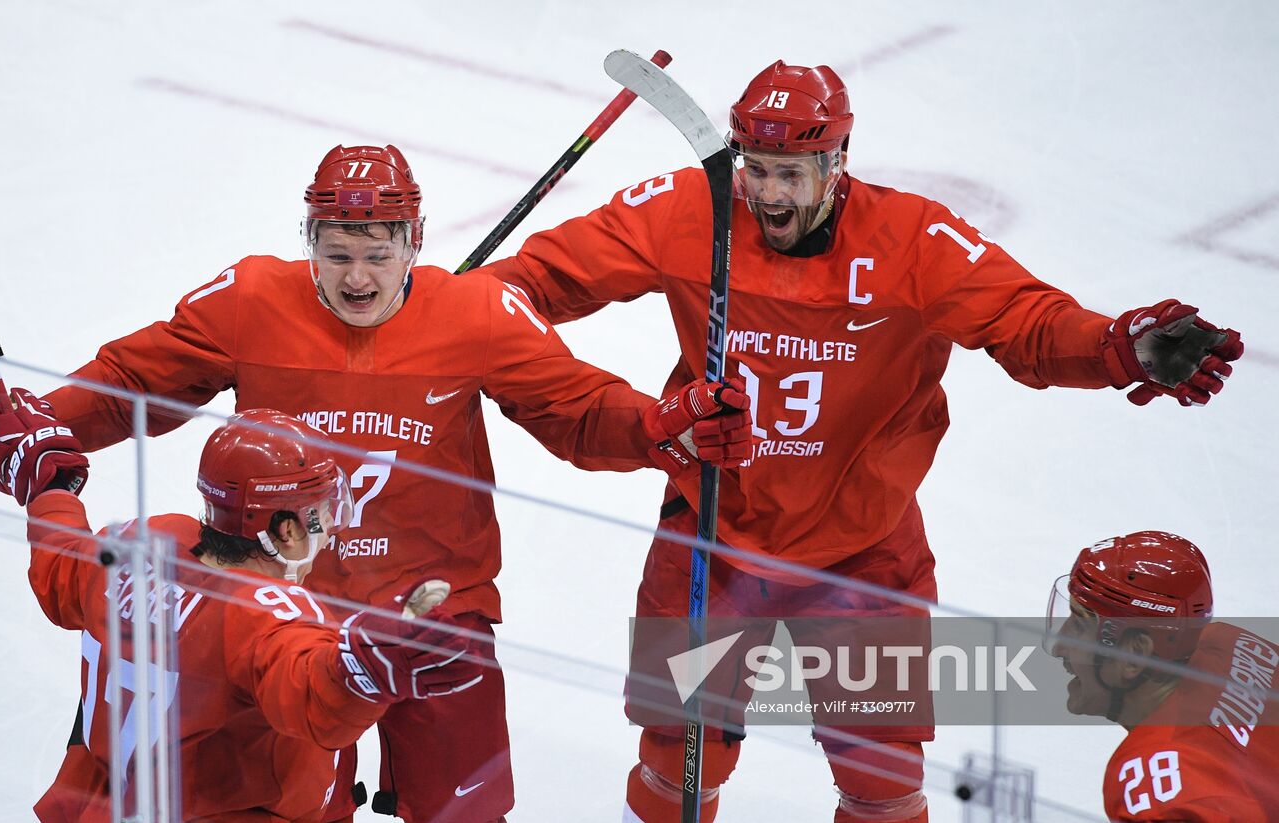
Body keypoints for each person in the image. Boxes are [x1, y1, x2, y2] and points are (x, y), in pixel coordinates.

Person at [475, 61, 1246, 822]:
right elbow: (523, 286)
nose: (771, 195)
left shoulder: (915, 239)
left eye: (793, 174)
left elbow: (1029, 323)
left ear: (837, 164)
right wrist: (446, 317)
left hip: (864, 555)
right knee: (679, 754)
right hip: (713, 532)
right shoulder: (687, 210)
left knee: (882, 779)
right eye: (757, 171)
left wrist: (1118, 347)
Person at [0, 144, 751, 823]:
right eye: (336, 253)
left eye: (378, 256)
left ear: (414, 243)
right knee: (298, 802)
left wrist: (657, 423)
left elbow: (577, 408)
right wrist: (8, 437)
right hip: (292, 619)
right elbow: (131, 377)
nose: (356, 278)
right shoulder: (250, 301)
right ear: (306, 240)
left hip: (437, 606)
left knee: (466, 808)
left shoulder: (477, 313)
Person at [0, 397, 482, 822]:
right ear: (286, 529)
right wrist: (364, 673)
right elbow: (310, 692)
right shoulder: (264, 614)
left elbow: (62, 575)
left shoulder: (135, 545)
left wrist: (50, 492)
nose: (330, 533)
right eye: (324, 515)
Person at [1047, 531, 1279, 820]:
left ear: (1134, 654)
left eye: (1081, 626)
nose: (1059, 648)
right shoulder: (1234, 643)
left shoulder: (1154, 785)